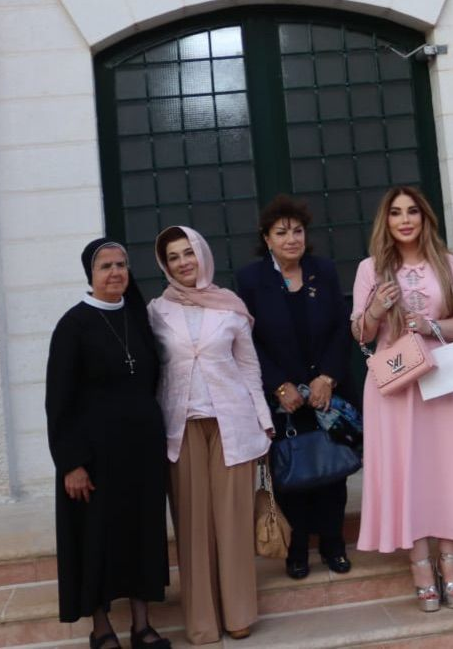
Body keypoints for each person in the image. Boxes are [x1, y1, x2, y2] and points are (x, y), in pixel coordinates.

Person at [351, 186, 453, 612]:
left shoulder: (448, 263)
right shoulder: (370, 268)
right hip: (396, 381)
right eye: (396, 213)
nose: (405, 220)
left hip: (444, 373)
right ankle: (420, 567)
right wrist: (376, 309)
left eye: (412, 211)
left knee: (449, 467)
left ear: (424, 217)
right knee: (408, 469)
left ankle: (451, 564)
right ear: (387, 221)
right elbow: (359, 332)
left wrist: (431, 326)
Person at [147, 226, 273, 644]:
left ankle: (238, 613)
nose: (183, 262)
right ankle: (201, 620)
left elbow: (249, 368)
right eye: (174, 257)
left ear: (202, 255)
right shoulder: (156, 311)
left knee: (232, 522)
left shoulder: (231, 307)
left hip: (232, 423)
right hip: (180, 427)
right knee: (193, 526)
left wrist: (263, 420)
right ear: (165, 265)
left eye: (189, 253)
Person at [45, 239, 170, 649]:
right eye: (106, 266)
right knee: (95, 539)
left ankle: (142, 625)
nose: (115, 272)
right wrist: (71, 463)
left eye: (121, 265)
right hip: (94, 459)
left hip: (141, 455)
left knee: (141, 535)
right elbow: (58, 402)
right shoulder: (73, 325)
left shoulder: (138, 318)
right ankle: (101, 629)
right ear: (91, 274)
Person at [235, 195, 355, 580]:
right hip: (283, 399)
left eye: (298, 231)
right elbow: (247, 341)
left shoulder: (324, 270)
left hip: (325, 393)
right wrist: (278, 385)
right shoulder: (250, 280)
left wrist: (327, 378)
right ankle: (297, 549)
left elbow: (341, 328)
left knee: (333, 470)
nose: (291, 239)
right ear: (266, 238)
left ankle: (334, 544)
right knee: (291, 474)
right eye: (281, 232)